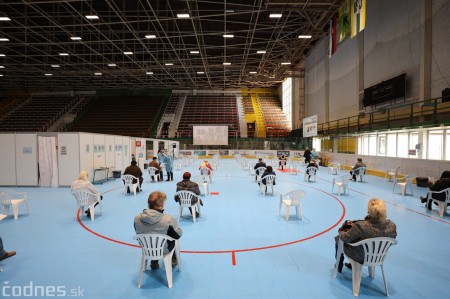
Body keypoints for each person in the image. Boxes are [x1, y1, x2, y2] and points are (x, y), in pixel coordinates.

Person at [335, 198, 397, 273]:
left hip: (360, 256)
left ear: (369, 211)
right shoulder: (392, 226)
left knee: (339, 238)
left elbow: (345, 238)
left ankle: (339, 264)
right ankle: (352, 265)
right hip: (378, 257)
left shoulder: (361, 226)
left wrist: (341, 231)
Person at [134, 191, 183, 270]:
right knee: (172, 238)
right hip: (164, 250)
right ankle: (173, 258)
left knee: (151, 236)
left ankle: (154, 261)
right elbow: (178, 235)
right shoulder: (168, 219)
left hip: (147, 249)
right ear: (161, 204)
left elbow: (138, 232)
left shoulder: (137, 218)